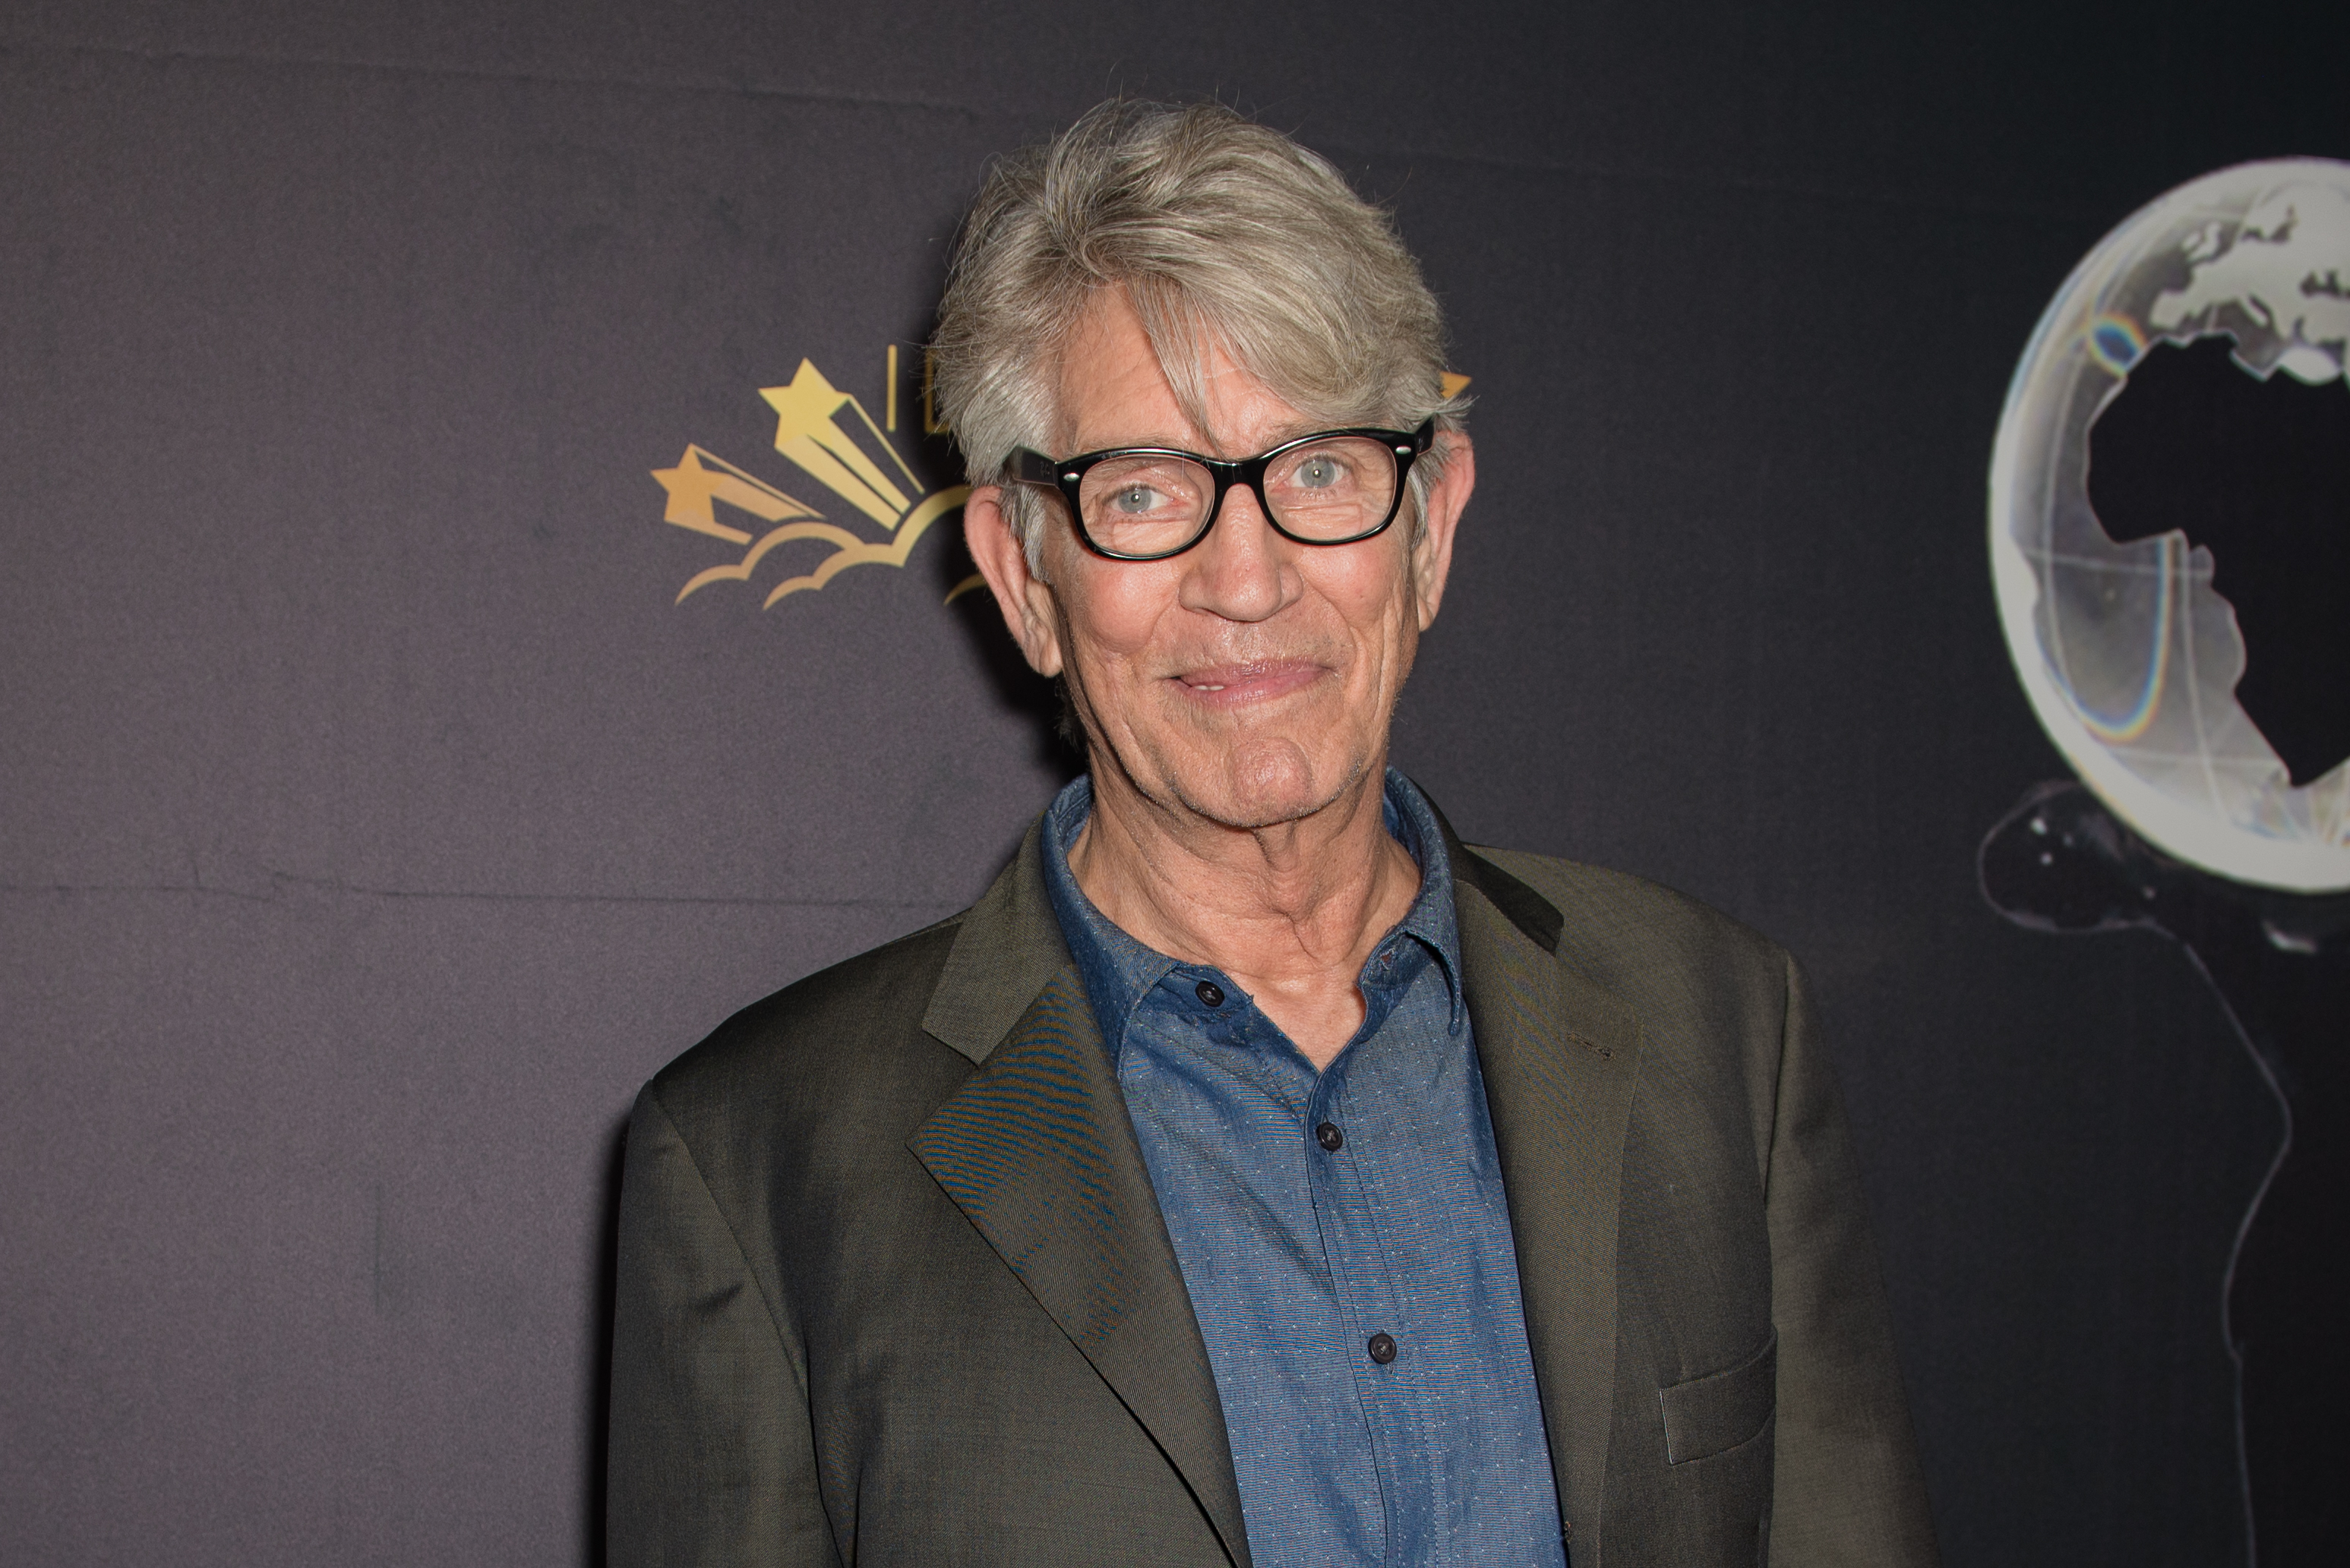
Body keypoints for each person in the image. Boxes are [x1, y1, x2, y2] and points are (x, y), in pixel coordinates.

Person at [608, 99, 1938, 1567]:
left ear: (1428, 526)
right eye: (1143, 493)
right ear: (1023, 572)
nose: (1246, 579)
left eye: (1317, 470)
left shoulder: (1718, 1026)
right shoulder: (758, 1161)